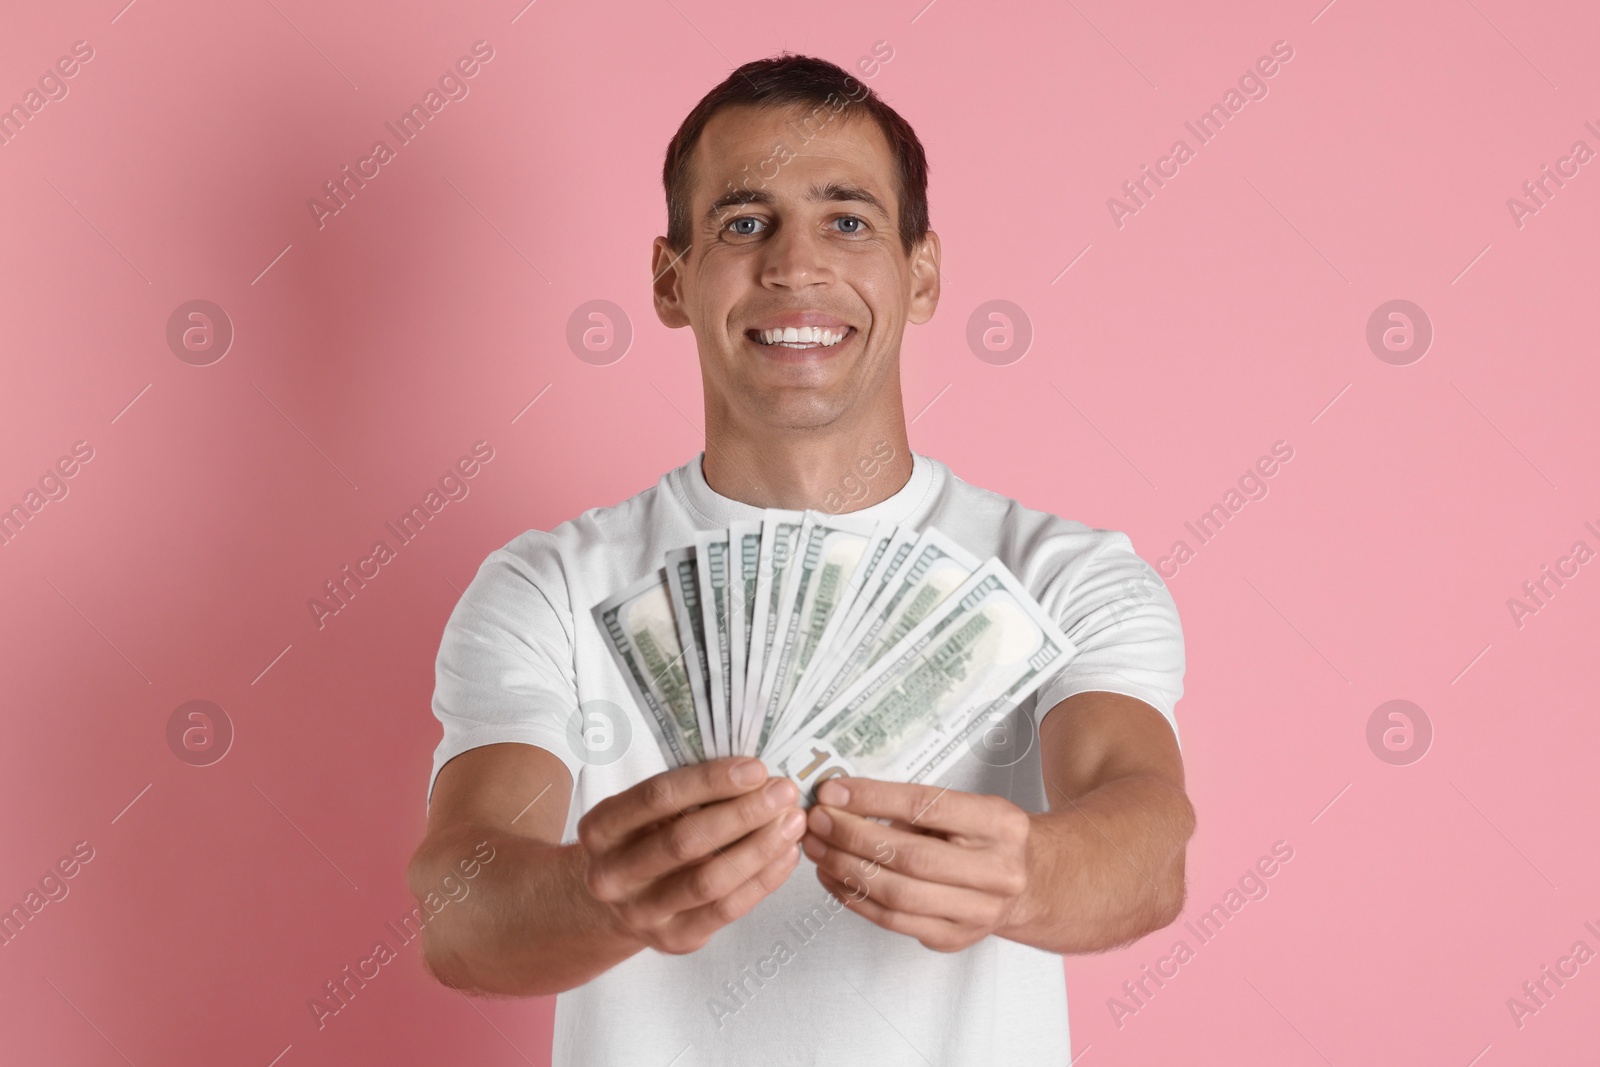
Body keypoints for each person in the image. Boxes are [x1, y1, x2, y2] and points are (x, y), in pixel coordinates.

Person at [408, 52, 1193, 1066]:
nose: (793, 265)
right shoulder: (548, 587)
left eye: (847, 219)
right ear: (669, 278)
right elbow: (457, 913)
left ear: (922, 273)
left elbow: (1147, 843)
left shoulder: (1062, 576)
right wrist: (599, 889)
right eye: (743, 222)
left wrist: (1029, 870)